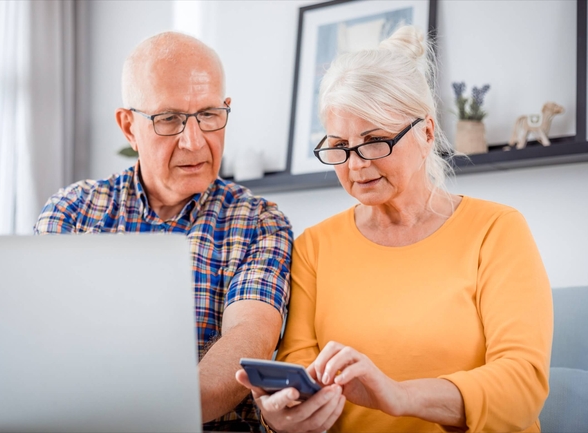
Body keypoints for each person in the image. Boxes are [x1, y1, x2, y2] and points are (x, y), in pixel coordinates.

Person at [236, 26, 553, 432]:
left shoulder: (496, 231)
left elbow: (522, 385)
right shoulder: (314, 247)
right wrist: (285, 414)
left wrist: (400, 396)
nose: (355, 165)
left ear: (426, 132)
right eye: (339, 146)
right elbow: (301, 368)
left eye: (374, 141)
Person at [35, 32, 292, 431]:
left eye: (208, 115)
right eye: (169, 119)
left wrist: (146, 418)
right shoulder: (72, 212)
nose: (193, 142)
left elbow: (248, 338)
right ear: (129, 127)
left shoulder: (260, 223)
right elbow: (43, 340)